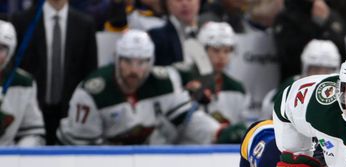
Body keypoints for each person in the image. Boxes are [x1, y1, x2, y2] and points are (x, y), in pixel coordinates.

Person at [57, 29, 240, 145]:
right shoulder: (92, 92)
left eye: (142, 62)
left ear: (151, 62)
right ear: (117, 59)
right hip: (98, 166)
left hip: (144, 161)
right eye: (128, 61)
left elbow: (187, 119)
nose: (135, 70)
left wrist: (218, 132)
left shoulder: (164, 82)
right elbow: (81, 150)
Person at [11, 0, 97, 144]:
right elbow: (15, 67)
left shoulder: (85, 23)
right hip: (31, 114)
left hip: (69, 114)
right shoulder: (22, 20)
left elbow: (90, 72)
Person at [173, 21, 250, 126]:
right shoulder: (183, 80)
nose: (222, 57)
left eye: (227, 51)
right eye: (216, 50)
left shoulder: (237, 89)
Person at [260, 39, 341, 119]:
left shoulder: (342, 93)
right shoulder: (289, 88)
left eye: (327, 71)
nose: (321, 75)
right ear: (305, 68)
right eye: (316, 69)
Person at [0, 21, 46, 146]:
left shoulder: (24, 83)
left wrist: (19, 154)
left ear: (11, 51)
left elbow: (33, 132)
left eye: (1, 48)